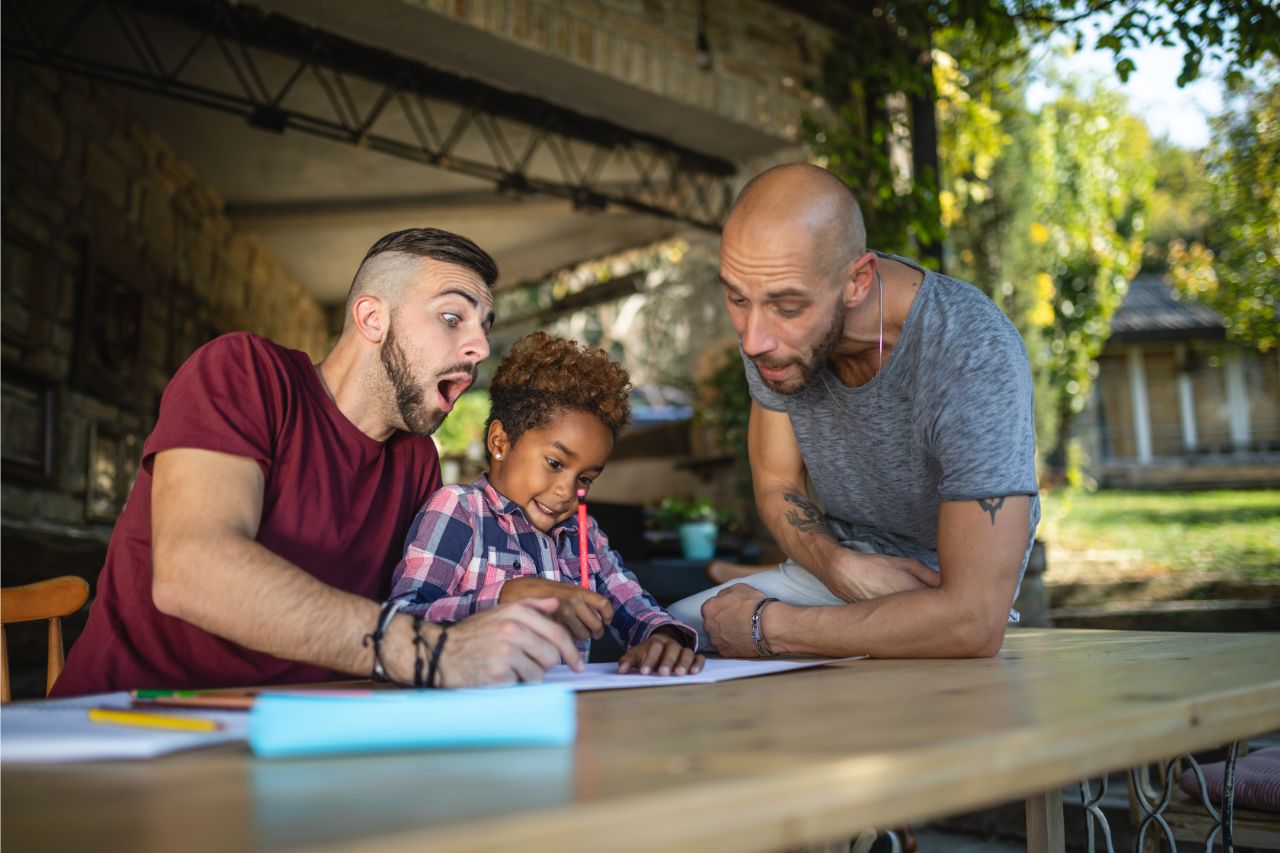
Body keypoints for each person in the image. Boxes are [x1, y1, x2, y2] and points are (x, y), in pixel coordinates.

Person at [53, 229, 581, 696]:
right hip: (126, 727)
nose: (480, 346)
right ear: (372, 318)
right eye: (452, 317)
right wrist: (429, 651)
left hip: (295, 738)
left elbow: (419, 599)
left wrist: (505, 595)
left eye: (484, 326)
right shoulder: (245, 372)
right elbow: (192, 571)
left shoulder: (416, 458)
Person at [668, 163, 1040, 660]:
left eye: (788, 306)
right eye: (737, 298)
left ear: (858, 280)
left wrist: (767, 627)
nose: (753, 339)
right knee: (662, 636)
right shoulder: (773, 332)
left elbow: (973, 621)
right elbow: (777, 483)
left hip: (940, 597)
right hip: (831, 574)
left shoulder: (970, 351)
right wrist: (838, 565)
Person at [390, 332, 704, 677]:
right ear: (500, 442)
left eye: (585, 478)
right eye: (555, 463)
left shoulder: (581, 534)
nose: (567, 491)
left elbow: (632, 603)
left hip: (565, 714)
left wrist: (664, 636)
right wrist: (507, 597)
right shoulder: (460, 510)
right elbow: (401, 622)